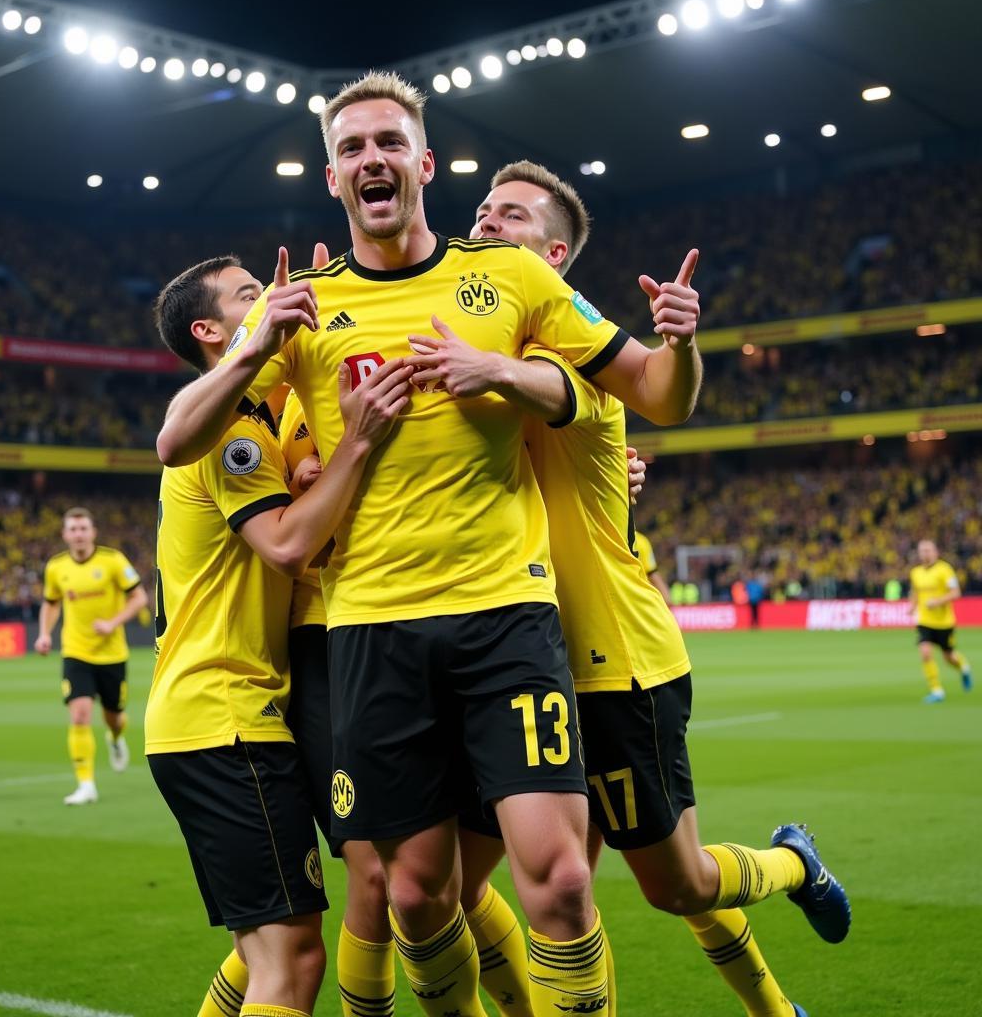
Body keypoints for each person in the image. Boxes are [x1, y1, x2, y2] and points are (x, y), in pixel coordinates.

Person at [156, 70, 704, 1017]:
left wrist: (680, 343)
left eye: (389, 143)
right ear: (334, 179)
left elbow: (659, 393)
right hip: (372, 632)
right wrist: (249, 347)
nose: (374, 159)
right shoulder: (304, 308)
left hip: (508, 616)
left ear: (424, 162)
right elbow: (177, 441)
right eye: (354, 149)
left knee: (565, 883)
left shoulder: (513, 279)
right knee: (414, 894)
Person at [410, 159, 849, 1017]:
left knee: (676, 886)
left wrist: (679, 344)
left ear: (557, 252)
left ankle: (794, 863)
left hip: (611, 662)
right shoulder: (470, 336)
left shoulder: (574, 353)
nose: (486, 222)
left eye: (511, 215)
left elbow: (658, 395)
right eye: (482, 210)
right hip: (502, 666)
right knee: (448, 892)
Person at [147, 254, 412, 1017]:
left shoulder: (258, 417)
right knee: (290, 959)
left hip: (227, 717)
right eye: (247, 295)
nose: (266, 297)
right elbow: (290, 546)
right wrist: (356, 443)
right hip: (224, 719)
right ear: (210, 330)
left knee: (262, 952)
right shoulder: (229, 424)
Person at [35, 507, 148, 805]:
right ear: (65, 535)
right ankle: (86, 785)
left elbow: (139, 597)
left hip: (112, 654)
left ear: (93, 532)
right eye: (73, 529)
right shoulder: (56, 568)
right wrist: (45, 633)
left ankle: (114, 737)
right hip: (76, 651)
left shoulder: (113, 561)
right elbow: (50, 603)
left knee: (115, 718)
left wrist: (113, 622)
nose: (79, 534)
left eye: (83, 528)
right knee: (80, 714)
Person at [908, 539, 973, 703]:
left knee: (949, 657)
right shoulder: (915, 572)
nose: (925, 553)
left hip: (944, 622)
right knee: (925, 652)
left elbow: (956, 592)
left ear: (935, 552)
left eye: (928, 550)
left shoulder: (945, 570)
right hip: (925, 620)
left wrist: (937, 601)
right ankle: (937, 690)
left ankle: (964, 668)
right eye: (922, 550)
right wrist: (912, 606)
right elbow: (916, 592)